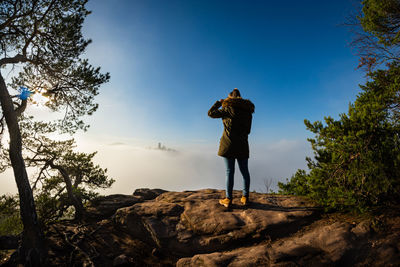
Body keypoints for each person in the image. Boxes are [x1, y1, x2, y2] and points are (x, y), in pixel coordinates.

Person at [208, 88, 255, 208]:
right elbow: (248, 131)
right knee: (245, 172)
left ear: (230, 98)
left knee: (229, 172)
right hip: (243, 145)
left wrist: (219, 102)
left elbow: (210, 113)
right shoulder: (248, 111)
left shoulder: (228, 108)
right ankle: (245, 198)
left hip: (228, 145)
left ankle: (228, 199)